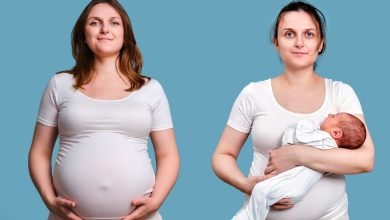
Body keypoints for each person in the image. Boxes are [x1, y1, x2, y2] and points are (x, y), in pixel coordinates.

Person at [212, 1, 375, 220]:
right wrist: (246, 185)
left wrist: (297, 155)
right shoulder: (254, 94)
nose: (299, 42)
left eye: (309, 34)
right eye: (289, 34)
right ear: (276, 42)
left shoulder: (341, 93)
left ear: (321, 44)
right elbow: (223, 155)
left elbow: (365, 160)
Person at [28, 1, 179, 220]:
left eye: (114, 23)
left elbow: (168, 155)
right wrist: (48, 199)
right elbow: (39, 152)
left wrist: (157, 200)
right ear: (83, 34)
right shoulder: (59, 84)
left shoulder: (150, 89)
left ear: (125, 34)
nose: (105, 29)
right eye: (94, 23)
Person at [233, 112, 366, 220]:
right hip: (294, 189)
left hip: (295, 187)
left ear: (336, 133)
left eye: (333, 117)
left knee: (260, 191)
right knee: (261, 193)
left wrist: (306, 123)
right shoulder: (331, 150)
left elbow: (299, 137)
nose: (330, 113)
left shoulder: (324, 140)